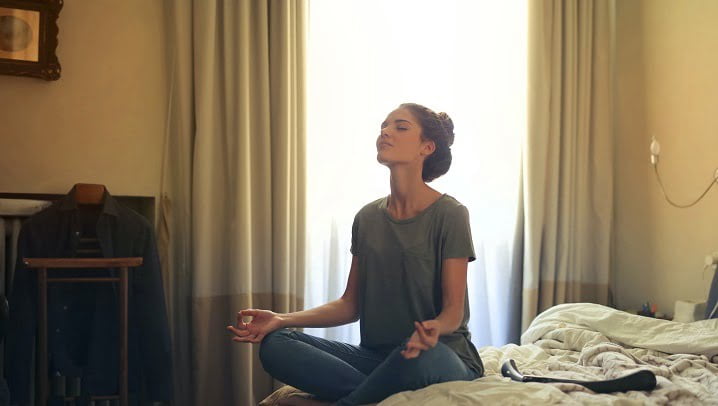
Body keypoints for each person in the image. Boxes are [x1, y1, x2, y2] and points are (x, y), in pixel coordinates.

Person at [227, 103, 483, 406]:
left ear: (427, 147)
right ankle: (371, 394)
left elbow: (454, 311)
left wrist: (435, 328)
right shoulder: (367, 218)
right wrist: (281, 319)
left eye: (400, 127)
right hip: (375, 358)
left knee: (422, 355)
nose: (386, 132)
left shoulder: (450, 214)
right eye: (383, 126)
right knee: (277, 344)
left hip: (439, 354)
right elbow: (350, 305)